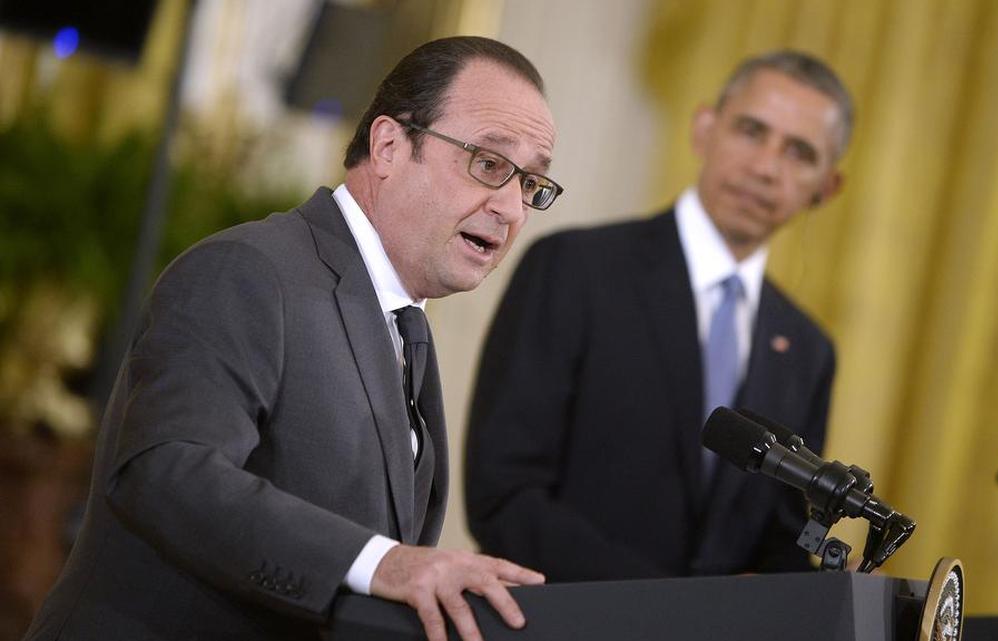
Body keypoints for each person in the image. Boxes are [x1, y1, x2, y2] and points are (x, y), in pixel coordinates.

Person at [25, 36, 563, 641]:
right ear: (388, 145)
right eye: (490, 165)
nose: (511, 207)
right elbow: (168, 469)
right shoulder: (248, 269)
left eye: (531, 186)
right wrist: (384, 564)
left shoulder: (404, 328)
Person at [465, 50, 851, 581]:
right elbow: (502, 495)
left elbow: (776, 540)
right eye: (750, 131)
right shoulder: (576, 269)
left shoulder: (808, 350)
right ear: (703, 131)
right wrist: (663, 615)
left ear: (826, 188)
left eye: (799, 152)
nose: (765, 167)